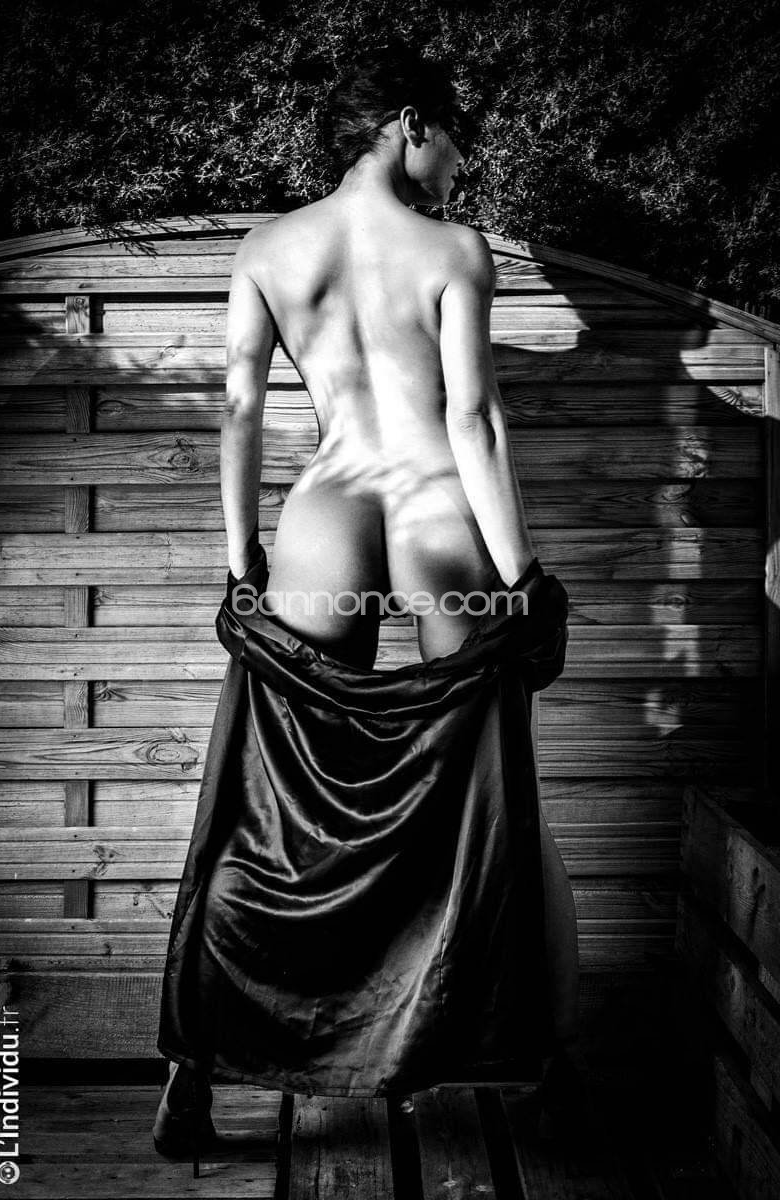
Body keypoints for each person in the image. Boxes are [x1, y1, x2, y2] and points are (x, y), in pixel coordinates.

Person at [154, 40, 580, 1158]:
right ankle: (527, 1058)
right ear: (408, 121)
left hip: (326, 511)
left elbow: (240, 408)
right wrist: (524, 580)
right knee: (487, 789)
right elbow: (471, 422)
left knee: (270, 804)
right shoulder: (451, 249)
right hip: (438, 515)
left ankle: (193, 1069)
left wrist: (239, 561)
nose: (460, 165)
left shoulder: (267, 248)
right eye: (455, 139)